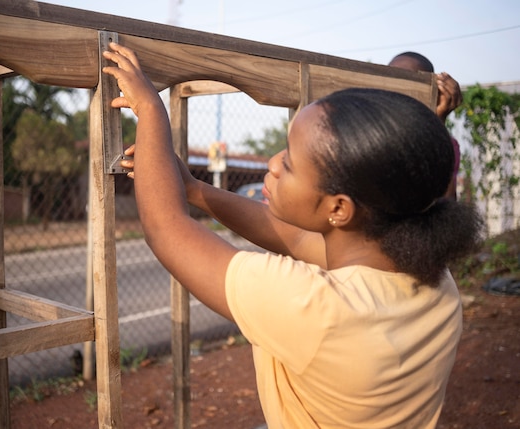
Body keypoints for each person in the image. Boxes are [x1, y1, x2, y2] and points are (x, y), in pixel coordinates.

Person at [104, 42, 483, 428]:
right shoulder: (435, 282)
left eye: (290, 161)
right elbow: (299, 240)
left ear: (338, 208)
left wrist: (150, 110)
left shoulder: (318, 308)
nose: (273, 163)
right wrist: (194, 188)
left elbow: (167, 229)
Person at [389, 51, 463, 199]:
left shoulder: (444, 144)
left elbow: (445, 203)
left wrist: (438, 122)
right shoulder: (361, 129)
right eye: (391, 77)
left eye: (409, 82)